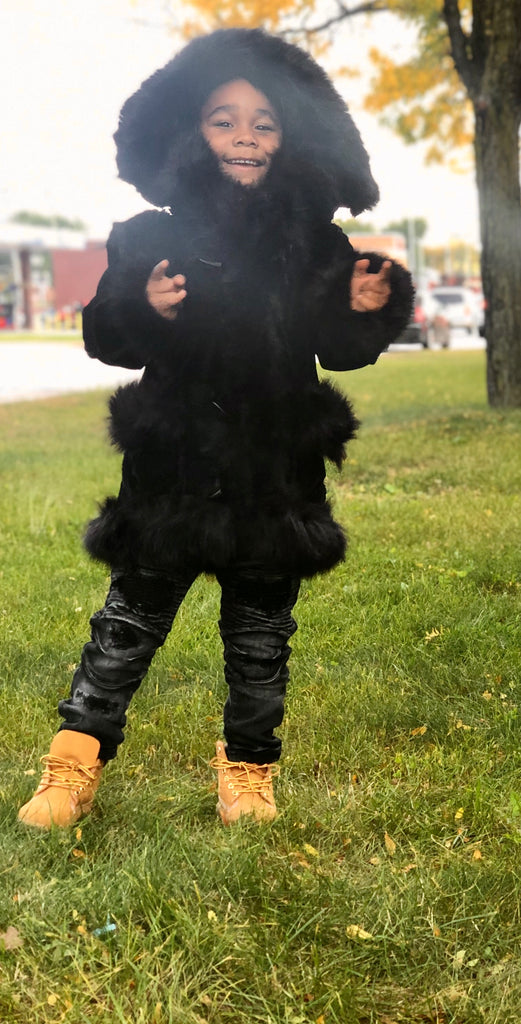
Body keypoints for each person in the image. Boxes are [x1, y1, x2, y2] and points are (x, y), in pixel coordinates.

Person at [19, 28, 413, 830]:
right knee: (127, 623)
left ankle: (248, 773)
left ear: (290, 139)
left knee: (261, 634)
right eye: (222, 120)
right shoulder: (149, 236)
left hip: (275, 471)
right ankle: (72, 764)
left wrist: (362, 309)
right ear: (188, 133)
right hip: (172, 467)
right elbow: (105, 334)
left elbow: (339, 349)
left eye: (264, 123)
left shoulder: (317, 245)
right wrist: (142, 307)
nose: (244, 136)